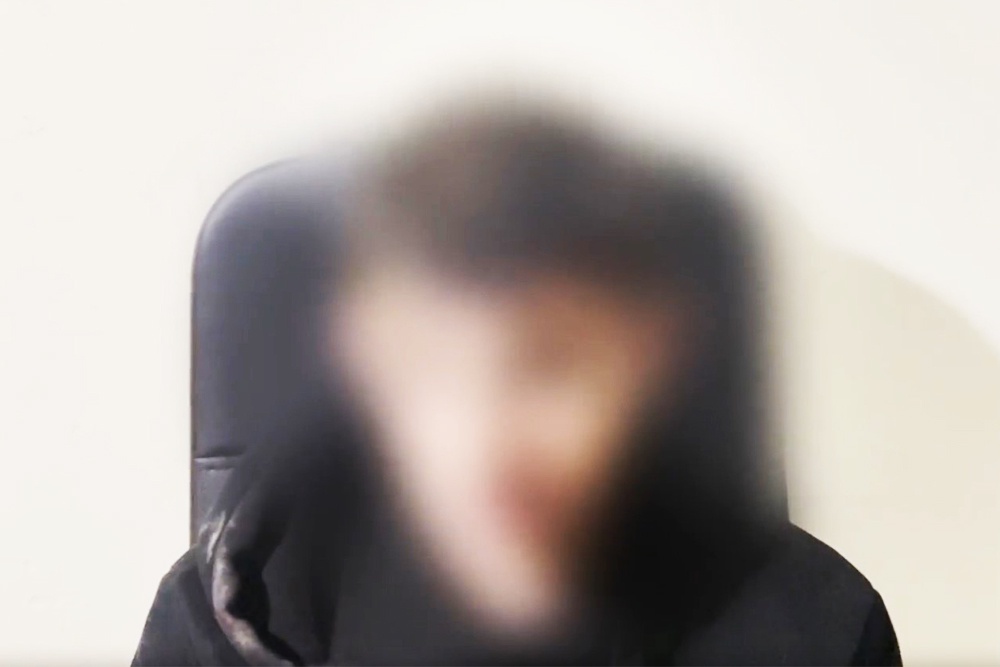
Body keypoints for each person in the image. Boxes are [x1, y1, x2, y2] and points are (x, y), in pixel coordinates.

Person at [132, 101, 901, 666]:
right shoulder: (219, 622)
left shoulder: (820, 631)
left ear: (646, 359)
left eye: (549, 363)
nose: (487, 438)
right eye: (432, 367)